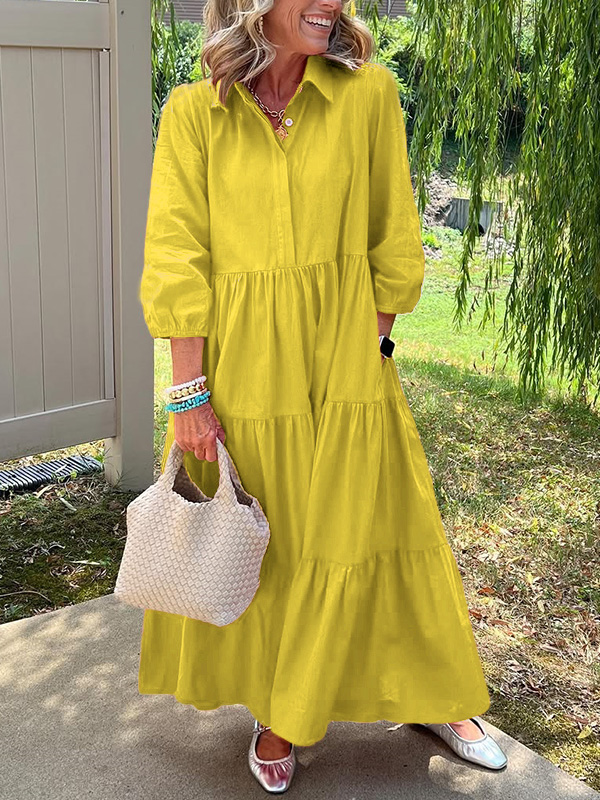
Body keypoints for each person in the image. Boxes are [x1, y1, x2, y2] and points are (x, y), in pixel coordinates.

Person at [137, 0, 509, 792]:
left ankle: (432, 693)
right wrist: (188, 390)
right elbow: (176, 252)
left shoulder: (367, 93)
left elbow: (393, 230)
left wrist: (372, 343)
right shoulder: (194, 113)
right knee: (282, 543)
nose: (333, 2)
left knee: (380, 523)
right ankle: (282, 708)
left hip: (348, 360)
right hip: (243, 368)